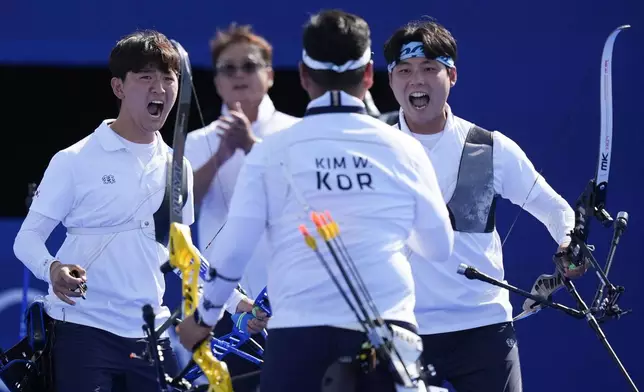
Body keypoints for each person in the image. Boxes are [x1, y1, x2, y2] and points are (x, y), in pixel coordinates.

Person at [176, 9, 455, 392]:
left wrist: (202, 320)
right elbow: (439, 247)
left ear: (304, 77)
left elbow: (231, 252)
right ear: (370, 76)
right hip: (386, 337)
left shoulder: (272, 150)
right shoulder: (403, 148)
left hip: (298, 340)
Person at [383, 19, 583, 392]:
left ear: (452, 75)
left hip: (483, 328)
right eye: (405, 70)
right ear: (390, 79)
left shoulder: (490, 148)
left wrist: (569, 242)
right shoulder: (374, 153)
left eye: (430, 69)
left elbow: (555, 210)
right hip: (399, 330)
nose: (417, 81)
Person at [12, 30, 193, 391]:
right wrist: (54, 269)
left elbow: (183, 253)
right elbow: (27, 240)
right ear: (119, 87)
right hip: (82, 331)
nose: (160, 87)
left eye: (168, 78)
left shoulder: (179, 167)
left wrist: (237, 304)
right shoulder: (74, 159)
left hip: (151, 335)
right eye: (146, 77)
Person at [182, 23, 299, 390]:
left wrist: (251, 146)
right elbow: (180, 207)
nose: (238, 76)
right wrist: (221, 154)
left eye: (248, 66)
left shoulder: (298, 132)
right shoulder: (196, 141)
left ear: (269, 75)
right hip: (222, 302)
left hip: (294, 298)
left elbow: (305, 203)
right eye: (227, 69)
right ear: (216, 82)